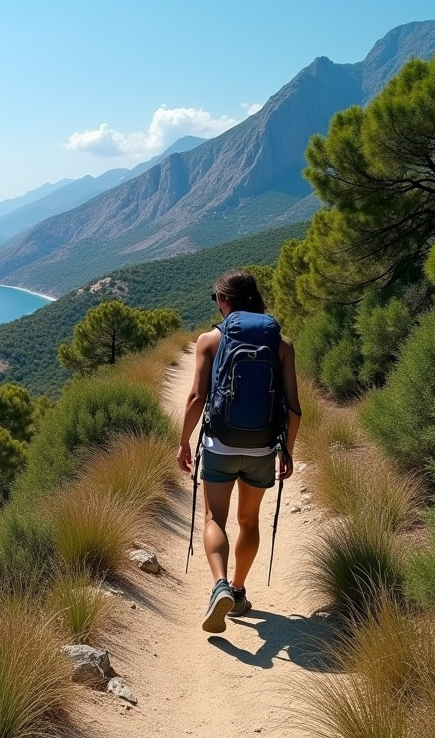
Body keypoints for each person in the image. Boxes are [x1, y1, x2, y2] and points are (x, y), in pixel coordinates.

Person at [176, 269, 301, 633]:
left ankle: (219, 586)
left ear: (225, 301)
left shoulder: (208, 341)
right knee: (249, 521)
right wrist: (287, 452)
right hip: (262, 447)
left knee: (215, 518)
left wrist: (184, 441)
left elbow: (197, 398)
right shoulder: (282, 344)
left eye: (216, 299)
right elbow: (294, 409)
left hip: (220, 445)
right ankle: (239, 590)